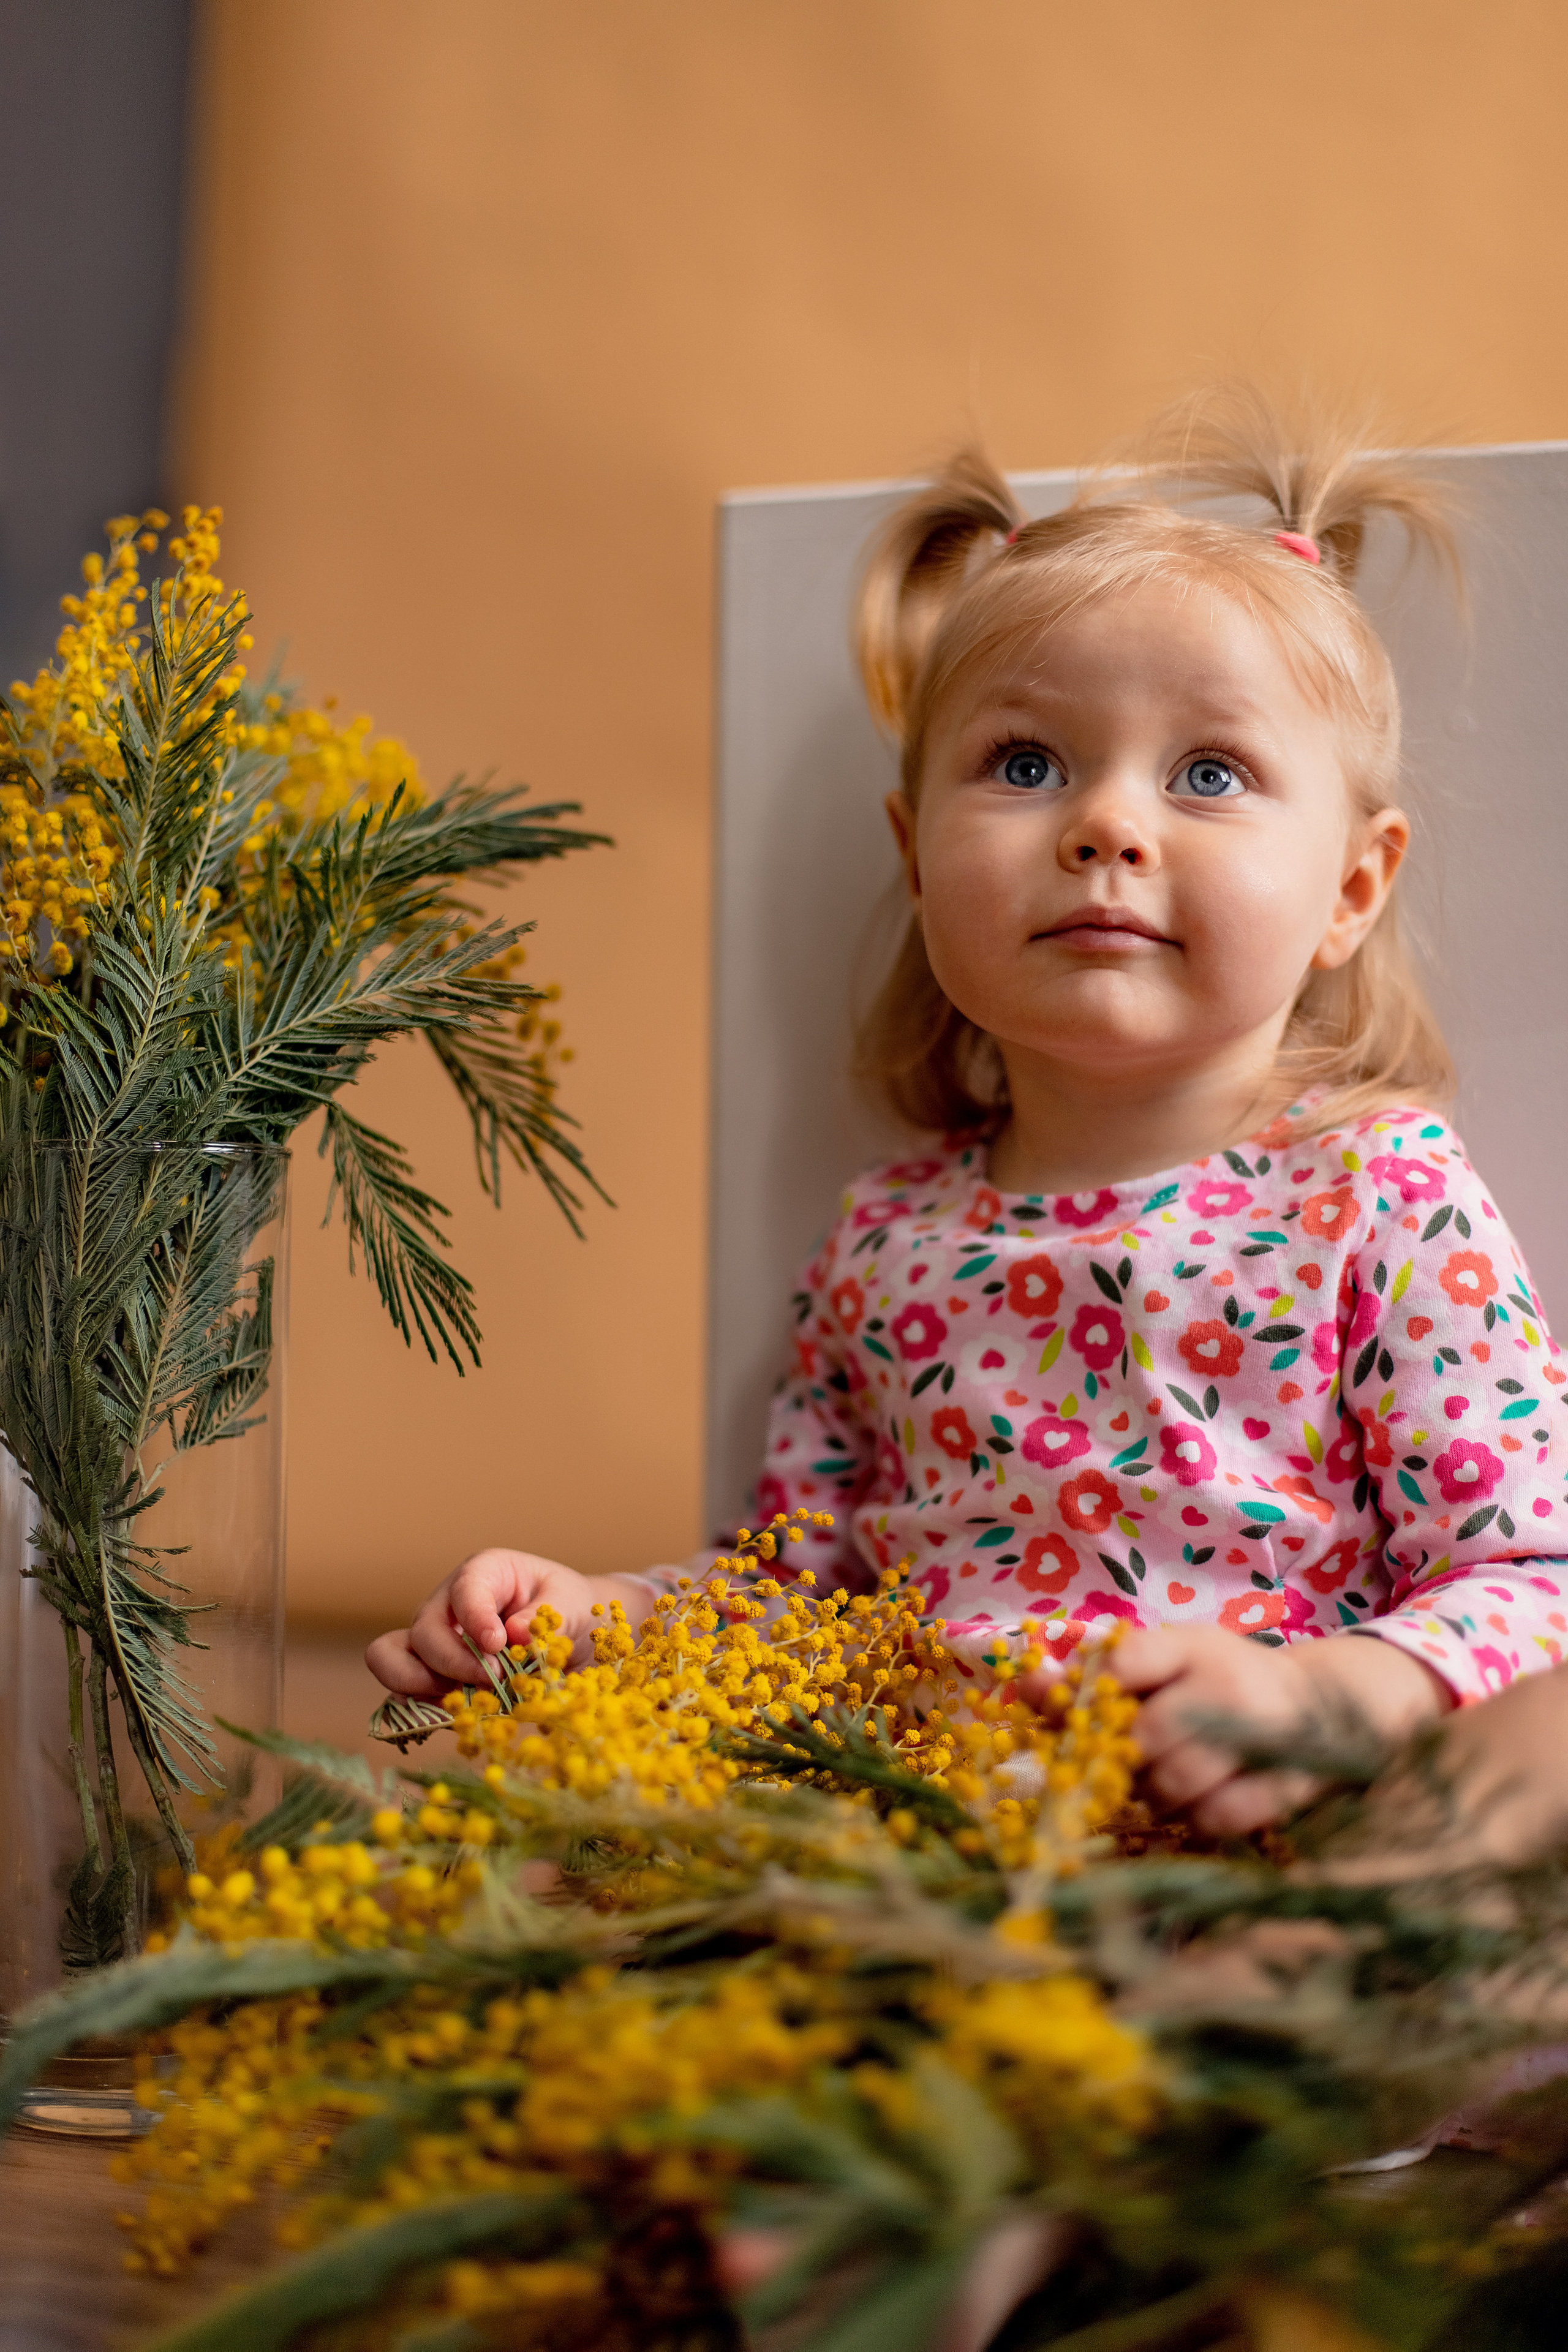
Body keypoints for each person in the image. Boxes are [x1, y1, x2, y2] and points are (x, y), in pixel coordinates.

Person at [368, 388, 1568, 1834]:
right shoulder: (884, 1240)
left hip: (1267, 1848)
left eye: (1208, 774)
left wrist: (1326, 1698)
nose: (1105, 825)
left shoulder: (1380, 1199)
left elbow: (1529, 1578)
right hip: (922, 1862)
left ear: (1349, 888)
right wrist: (605, 1617)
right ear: (916, 857)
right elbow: (798, 1593)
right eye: (1024, 764)